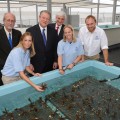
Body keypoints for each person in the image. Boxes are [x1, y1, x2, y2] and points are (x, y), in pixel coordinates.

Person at [0, 12, 22, 86]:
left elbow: (21, 50)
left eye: (12, 21)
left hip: (16, 70)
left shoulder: (18, 33)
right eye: (8, 20)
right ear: (4, 21)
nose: (10, 23)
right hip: (3, 70)